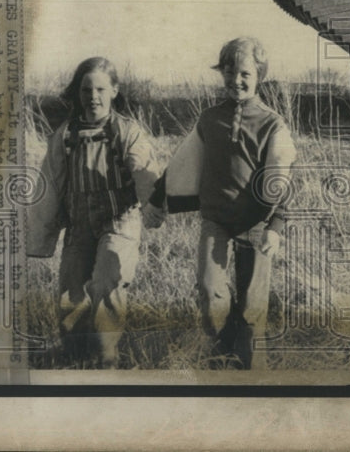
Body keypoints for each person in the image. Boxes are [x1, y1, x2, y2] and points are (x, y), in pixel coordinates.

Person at [143, 37, 295, 369]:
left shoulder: (272, 124)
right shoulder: (209, 119)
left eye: (244, 73)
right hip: (216, 220)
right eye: (228, 71)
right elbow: (183, 163)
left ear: (259, 76)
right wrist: (157, 202)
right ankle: (223, 350)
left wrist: (276, 227)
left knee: (252, 306)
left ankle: (249, 374)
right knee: (211, 295)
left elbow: (283, 177)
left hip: (256, 223)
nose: (235, 80)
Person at [26, 57, 159, 367]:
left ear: (114, 90)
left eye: (100, 89)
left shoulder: (126, 132)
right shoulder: (65, 135)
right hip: (79, 224)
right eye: (86, 89)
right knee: (70, 290)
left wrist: (152, 206)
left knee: (106, 281)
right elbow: (51, 185)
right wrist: (40, 235)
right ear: (78, 93)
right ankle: (73, 354)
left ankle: (105, 355)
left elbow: (144, 172)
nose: (93, 97)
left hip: (120, 221)